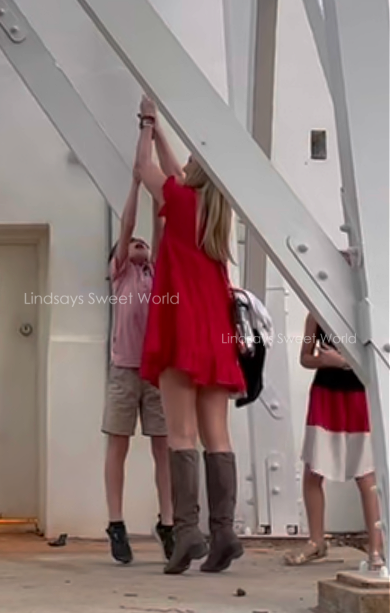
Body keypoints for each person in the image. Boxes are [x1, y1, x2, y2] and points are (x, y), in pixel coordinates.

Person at [135, 97, 246, 575]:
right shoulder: (216, 215)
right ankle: (224, 532)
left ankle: (187, 533)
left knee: (180, 434)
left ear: (197, 169)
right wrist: (161, 129)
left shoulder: (178, 201)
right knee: (217, 435)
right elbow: (173, 172)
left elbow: (145, 170)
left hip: (180, 327)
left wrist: (144, 125)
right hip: (217, 333)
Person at [103, 161, 174, 565]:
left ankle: (168, 522)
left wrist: (153, 190)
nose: (139, 243)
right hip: (124, 371)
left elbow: (160, 226)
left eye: (142, 243)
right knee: (119, 443)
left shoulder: (157, 274)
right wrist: (133, 185)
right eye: (132, 244)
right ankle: (116, 522)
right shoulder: (122, 275)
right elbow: (127, 225)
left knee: (163, 447)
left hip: (157, 373)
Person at [285, 287, 384, 570]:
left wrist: (344, 363)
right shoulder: (316, 313)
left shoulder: (368, 311)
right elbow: (305, 357)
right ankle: (316, 541)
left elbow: (377, 356)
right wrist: (324, 361)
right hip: (325, 396)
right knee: (313, 470)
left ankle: (376, 549)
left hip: (358, 398)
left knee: (366, 474)